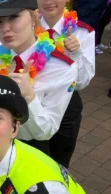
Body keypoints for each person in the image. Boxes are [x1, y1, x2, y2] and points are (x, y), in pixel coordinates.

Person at [0, 0, 78, 155]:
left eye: (14, 17)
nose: (5, 28)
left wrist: (29, 97)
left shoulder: (61, 68)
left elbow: (46, 131)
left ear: (35, 16)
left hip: (30, 150)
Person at [38, 0, 95, 168]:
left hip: (66, 105)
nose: (48, 1)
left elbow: (82, 82)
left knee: (59, 162)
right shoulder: (25, 26)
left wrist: (76, 54)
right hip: (32, 101)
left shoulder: (83, 32)